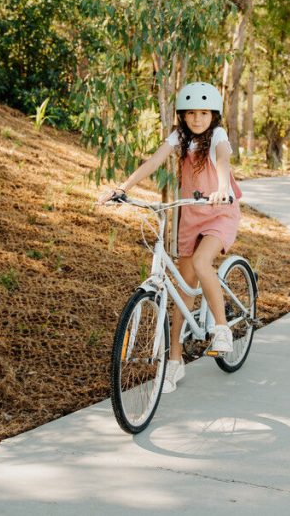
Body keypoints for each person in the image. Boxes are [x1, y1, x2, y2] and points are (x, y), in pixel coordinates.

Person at [97, 82, 242, 393]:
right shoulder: (180, 137)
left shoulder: (218, 136)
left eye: (204, 113)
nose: (197, 119)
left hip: (219, 211)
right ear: (182, 116)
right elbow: (153, 161)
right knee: (182, 291)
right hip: (190, 214)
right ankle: (174, 361)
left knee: (202, 262)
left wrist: (221, 188)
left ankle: (221, 329)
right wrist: (123, 188)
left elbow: (222, 161)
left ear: (213, 115)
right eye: (191, 113)